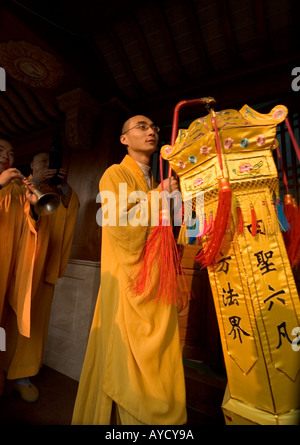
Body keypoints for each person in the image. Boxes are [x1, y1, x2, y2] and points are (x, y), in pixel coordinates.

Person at [72, 115, 187, 425]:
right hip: (128, 278)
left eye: (154, 128)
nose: (151, 131)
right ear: (124, 139)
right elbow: (117, 224)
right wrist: (160, 195)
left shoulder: (152, 181)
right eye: (141, 127)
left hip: (155, 277)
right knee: (126, 354)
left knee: (158, 354)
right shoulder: (115, 174)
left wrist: (169, 196)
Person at [0, 150, 79, 402]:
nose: (48, 165)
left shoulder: (51, 192)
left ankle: (22, 374)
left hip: (39, 264)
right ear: (31, 164)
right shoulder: (13, 186)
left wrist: (62, 189)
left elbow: (60, 217)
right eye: (43, 161)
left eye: (51, 162)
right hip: (9, 262)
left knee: (32, 321)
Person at [0, 138, 39, 395]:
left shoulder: (16, 189)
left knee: (8, 320)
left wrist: (33, 206)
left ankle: (8, 371)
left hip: (10, 263)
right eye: (0, 151)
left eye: (11, 153)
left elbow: (31, 228)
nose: (6, 156)